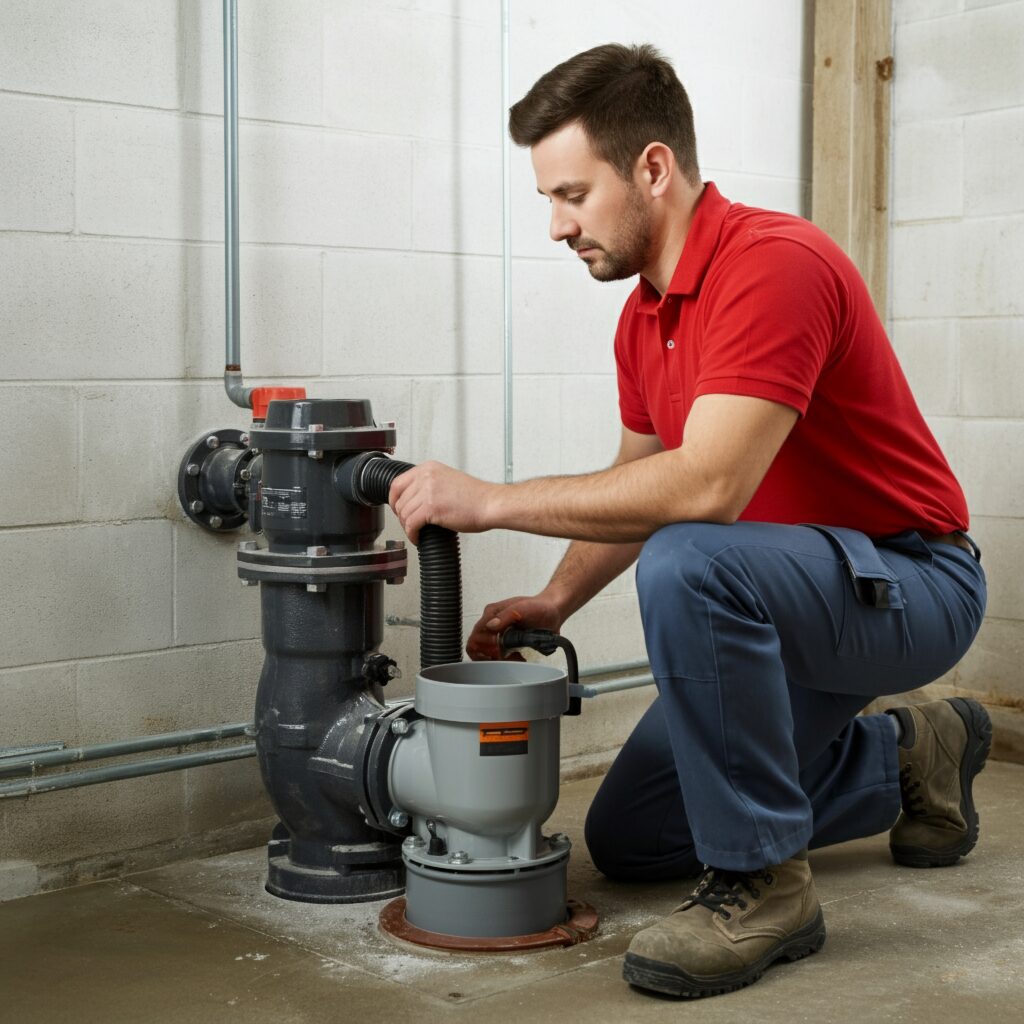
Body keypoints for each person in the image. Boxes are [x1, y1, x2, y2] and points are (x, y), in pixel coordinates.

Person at [387, 43, 990, 998]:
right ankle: (911, 756)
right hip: (799, 598)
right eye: (549, 198)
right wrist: (555, 597)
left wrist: (492, 501)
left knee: (691, 559)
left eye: (573, 194)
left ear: (653, 168)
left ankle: (765, 888)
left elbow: (703, 488)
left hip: (910, 581)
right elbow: (642, 480)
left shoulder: (774, 265)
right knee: (635, 836)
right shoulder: (644, 317)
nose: (555, 225)